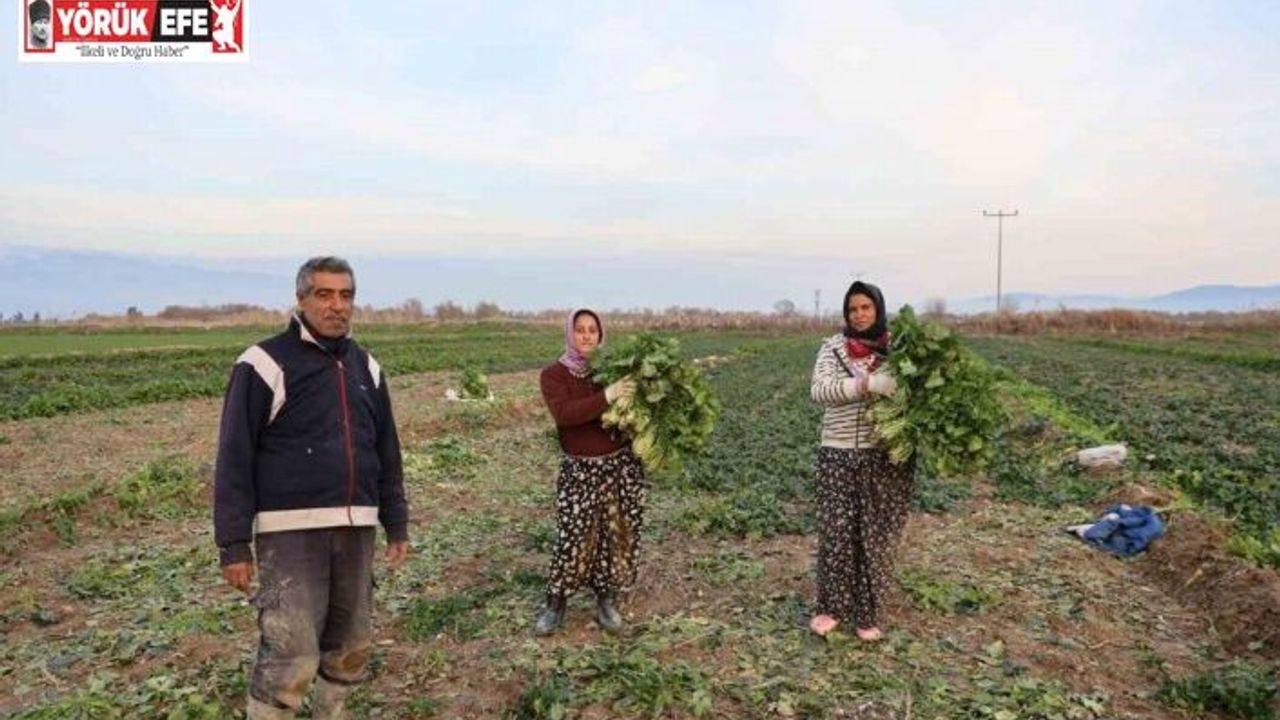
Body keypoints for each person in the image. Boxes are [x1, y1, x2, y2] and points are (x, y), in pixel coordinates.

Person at [214, 256, 410, 720]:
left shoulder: (367, 368)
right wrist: (233, 543)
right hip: (291, 531)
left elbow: (387, 448)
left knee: (351, 644)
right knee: (292, 650)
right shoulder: (264, 363)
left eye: (346, 295)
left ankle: (331, 712)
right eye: (324, 294)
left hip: (356, 526)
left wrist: (396, 521)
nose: (336, 305)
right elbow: (234, 455)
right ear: (301, 299)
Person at [808, 280, 911, 641]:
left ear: (878, 309)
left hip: (883, 454)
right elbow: (819, 390)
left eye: (866, 307)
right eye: (853, 309)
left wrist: (897, 389)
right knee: (837, 531)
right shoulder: (834, 347)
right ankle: (831, 607)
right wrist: (865, 385)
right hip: (837, 451)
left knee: (875, 535)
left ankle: (868, 613)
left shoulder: (899, 348)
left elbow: (914, 394)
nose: (859, 314)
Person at [534, 308, 642, 636]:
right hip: (580, 471)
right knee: (574, 538)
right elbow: (566, 415)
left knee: (614, 537)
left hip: (618, 467)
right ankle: (556, 603)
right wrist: (607, 396)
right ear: (570, 333)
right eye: (579, 329)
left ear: (600, 334)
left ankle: (606, 600)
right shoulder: (554, 375)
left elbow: (630, 415)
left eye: (592, 330)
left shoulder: (611, 371)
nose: (586, 336)